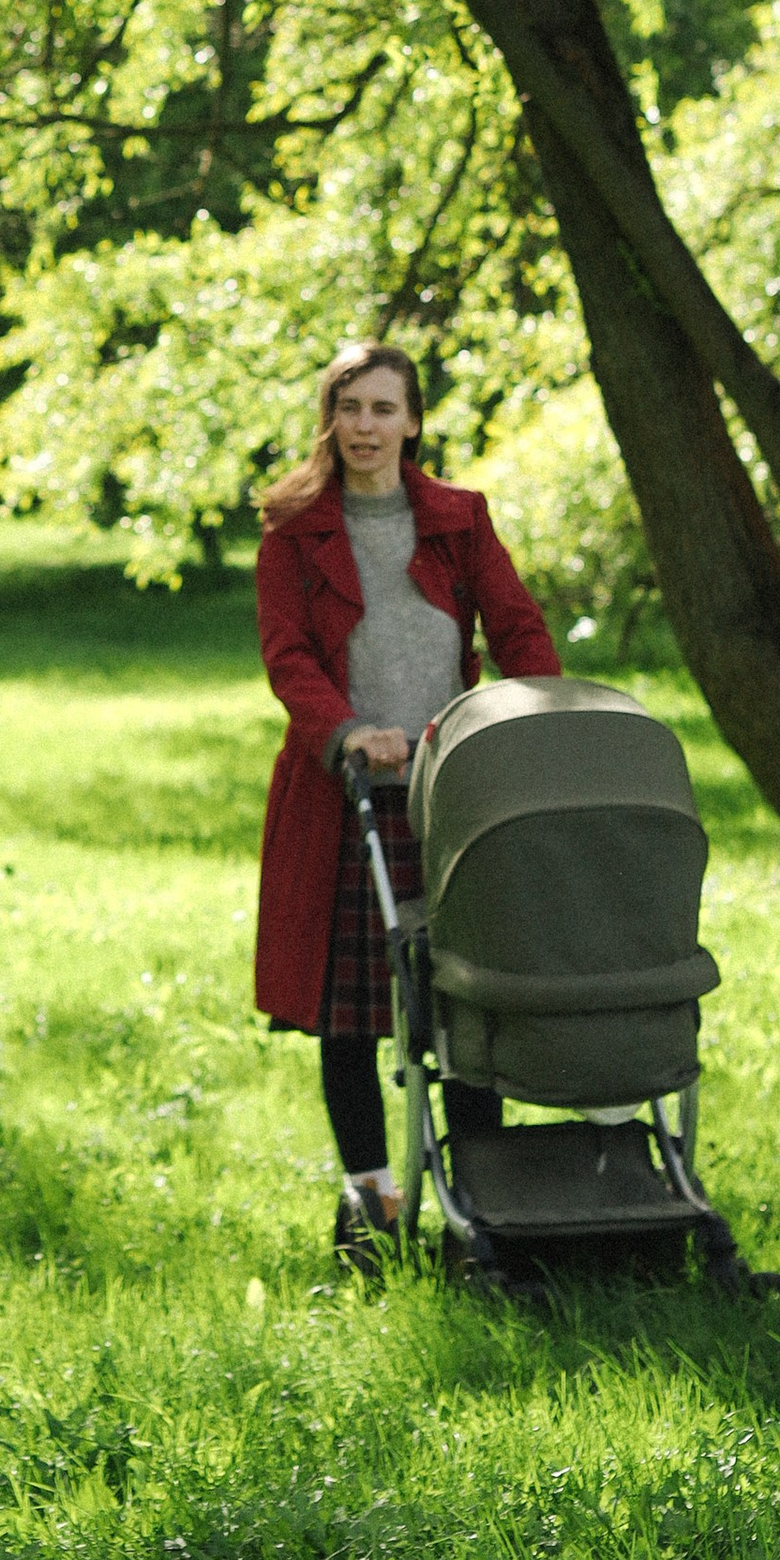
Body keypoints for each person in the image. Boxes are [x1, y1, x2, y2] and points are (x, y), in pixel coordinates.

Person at [254, 341, 560, 1272]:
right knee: (348, 1017)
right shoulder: (292, 528)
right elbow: (289, 657)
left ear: (413, 420)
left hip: (453, 790)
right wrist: (346, 730)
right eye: (349, 408)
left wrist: (535, 716)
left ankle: (476, 1204)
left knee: (468, 1010)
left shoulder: (458, 520)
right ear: (329, 417)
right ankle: (372, 1204)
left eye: (384, 409)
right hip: (345, 795)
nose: (365, 428)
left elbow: (516, 626)